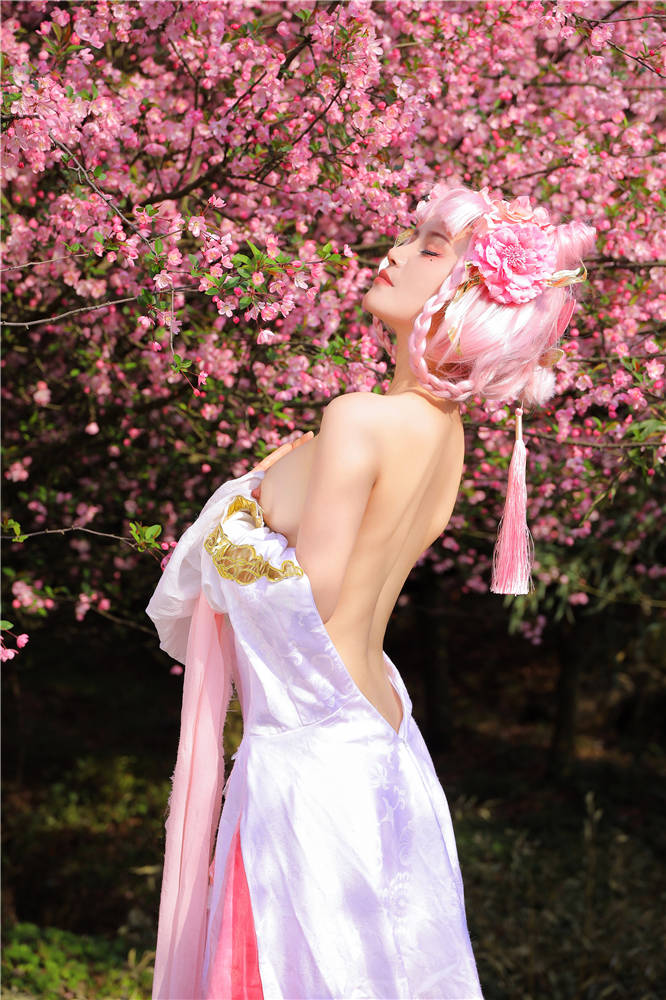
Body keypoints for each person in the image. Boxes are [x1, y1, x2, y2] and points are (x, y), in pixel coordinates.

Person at [146, 181, 595, 999]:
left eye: (429, 248)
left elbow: (307, 597)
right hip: (384, 740)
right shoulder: (446, 440)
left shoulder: (359, 419)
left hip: (312, 756)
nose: (392, 252)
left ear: (467, 296)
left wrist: (236, 513)